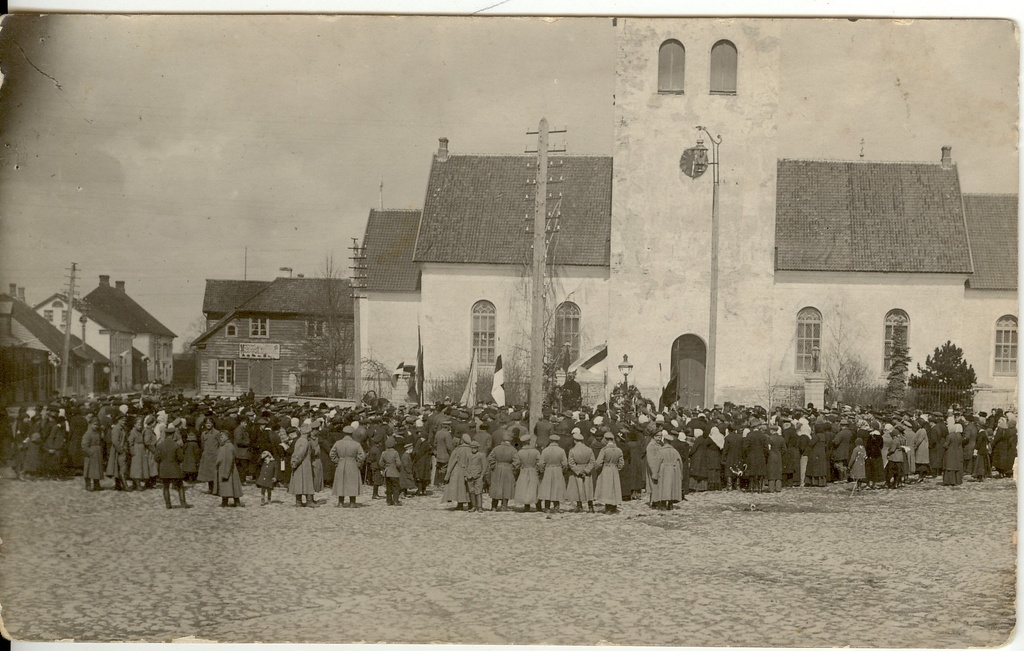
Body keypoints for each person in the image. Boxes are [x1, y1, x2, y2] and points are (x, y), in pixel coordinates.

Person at [155, 423, 190, 509]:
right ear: (173, 434)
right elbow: (181, 458)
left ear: (166, 435)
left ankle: (168, 504)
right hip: (175, 470)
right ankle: (183, 503)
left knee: (166, 487)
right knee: (180, 486)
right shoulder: (176, 445)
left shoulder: (160, 445)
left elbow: (156, 458)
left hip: (164, 470)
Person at [330, 425, 366, 507]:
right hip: (352, 463)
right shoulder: (356, 444)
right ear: (352, 434)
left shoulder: (338, 443)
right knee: (352, 482)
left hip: (341, 463)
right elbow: (362, 455)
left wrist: (337, 461)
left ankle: (340, 502)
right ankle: (352, 502)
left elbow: (332, 454)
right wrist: (358, 463)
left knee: (341, 482)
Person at [650, 430, 683, 510]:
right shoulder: (675, 451)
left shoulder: (661, 451)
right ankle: (670, 503)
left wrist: (654, 474)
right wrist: (680, 473)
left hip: (664, 471)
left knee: (663, 487)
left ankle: (663, 504)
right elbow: (680, 463)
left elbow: (657, 463)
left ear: (664, 441)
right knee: (672, 486)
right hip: (674, 470)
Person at [565, 429, 596, 513]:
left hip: (577, 470)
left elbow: (571, 463)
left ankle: (579, 505)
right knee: (588, 489)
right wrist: (586, 470)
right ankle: (590, 506)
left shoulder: (572, 450)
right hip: (586, 470)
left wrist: (578, 471)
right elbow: (592, 462)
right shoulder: (589, 449)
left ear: (575, 441)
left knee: (577, 488)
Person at [593, 432, 624, 513]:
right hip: (614, 469)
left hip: (606, 469)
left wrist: (597, 469)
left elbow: (598, 462)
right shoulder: (618, 450)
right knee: (614, 487)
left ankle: (608, 508)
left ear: (606, 440)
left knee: (607, 488)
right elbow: (621, 463)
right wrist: (617, 468)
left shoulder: (604, 450)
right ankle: (614, 506)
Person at [537, 434, 568, 513]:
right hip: (557, 469)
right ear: (557, 441)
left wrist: (542, 470)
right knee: (556, 487)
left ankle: (547, 507)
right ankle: (556, 506)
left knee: (548, 488)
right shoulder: (561, 450)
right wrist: (563, 470)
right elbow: (565, 463)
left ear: (550, 441)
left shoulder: (545, 450)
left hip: (548, 469)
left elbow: (541, 463)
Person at [487, 432, 517, 511]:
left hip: (498, 468)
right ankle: (504, 506)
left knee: (496, 487)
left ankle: (493, 506)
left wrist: (493, 467)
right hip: (508, 469)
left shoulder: (496, 448)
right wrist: (513, 469)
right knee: (506, 488)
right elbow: (516, 462)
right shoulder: (513, 449)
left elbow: (490, 458)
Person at [289, 425, 317, 507]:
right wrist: (296, 462)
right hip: (303, 464)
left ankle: (298, 501)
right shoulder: (304, 441)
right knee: (306, 482)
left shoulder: (299, 440)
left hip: (300, 464)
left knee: (299, 482)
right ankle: (309, 501)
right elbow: (300, 453)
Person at [512, 434, 541, 512]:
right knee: (535, 487)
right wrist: (538, 469)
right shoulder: (535, 451)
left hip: (524, 470)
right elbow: (540, 462)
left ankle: (527, 506)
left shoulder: (520, 452)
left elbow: (517, 464)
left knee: (525, 488)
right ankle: (538, 506)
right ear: (529, 442)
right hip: (533, 470)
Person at [443, 433, 473, 510]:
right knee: (469, 488)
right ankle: (471, 504)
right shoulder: (472, 449)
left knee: (460, 488)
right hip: (470, 470)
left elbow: (452, 462)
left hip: (459, 470)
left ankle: (460, 504)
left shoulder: (458, 450)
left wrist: (447, 474)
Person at [215, 431, 244, 507]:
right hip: (226, 469)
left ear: (227, 437)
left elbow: (229, 460)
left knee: (228, 486)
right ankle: (233, 501)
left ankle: (226, 502)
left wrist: (226, 472)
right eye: (220, 437)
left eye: (222, 437)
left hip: (227, 469)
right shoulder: (224, 446)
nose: (220, 438)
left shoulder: (228, 446)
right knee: (231, 486)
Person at [105, 414, 130, 491]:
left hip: (121, 449)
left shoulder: (123, 428)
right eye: (122, 420)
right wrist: (121, 450)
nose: (124, 422)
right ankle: (125, 486)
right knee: (122, 467)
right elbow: (115, 441)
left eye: (125, 420)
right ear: (118, 420)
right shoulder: (116, 429)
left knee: (118, 467)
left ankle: (118, 485)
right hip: (118, 450)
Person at [80, 415, 105, 492]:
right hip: (90, 454)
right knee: (88, 470)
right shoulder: (88, 433)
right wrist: (90, 453)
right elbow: (84, 446)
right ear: (90, 424)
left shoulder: (97, 432)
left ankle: (97, 485)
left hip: (97, 453)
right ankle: (88, 485)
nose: (96, 426)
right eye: (94, 424)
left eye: (97, 424)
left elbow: (101, 439)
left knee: (97, 470)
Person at [197, 419, 220, 494]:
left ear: (213, 424)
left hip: (215, 456)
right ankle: (210, 488)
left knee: (215, 473)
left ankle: (216, 489)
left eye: (210, 423)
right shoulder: (204, 433)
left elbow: (220, 443)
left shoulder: (217, 433)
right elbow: (202, 444)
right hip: (207, 456)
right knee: (208, 473)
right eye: (207, 423)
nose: (208, 425)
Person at [379, 437, 403, 506]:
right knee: (396, 487)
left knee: (388, 487)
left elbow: (380, 463)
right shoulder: (395, 453)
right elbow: (398, 463)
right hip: (394, 472)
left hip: (387, 472)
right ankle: (395, 501)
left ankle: (388, 501)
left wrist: (385, 467)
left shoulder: (384, 453)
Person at [464, 440, 486, 512]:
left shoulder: (481, 455)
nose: (473, 449)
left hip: (478, 476)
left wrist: (482, 475)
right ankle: (473, 506)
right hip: (470, 476)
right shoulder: (468, 455)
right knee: (471, 491)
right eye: (472, 448)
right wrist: (465, 475)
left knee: (478, 491)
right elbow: (466, 466)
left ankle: (479, 507)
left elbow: (484, 466)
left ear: (478, 448)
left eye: (475, 448)